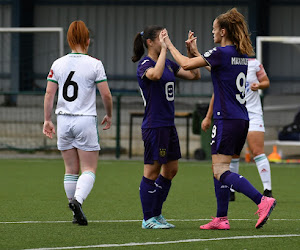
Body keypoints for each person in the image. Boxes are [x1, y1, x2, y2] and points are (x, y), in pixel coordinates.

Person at [162, 7, 276, 230]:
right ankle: (221, 218)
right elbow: (216, 71)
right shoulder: (241, 55)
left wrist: (169, 45)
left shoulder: (220, 53)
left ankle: (262, 200)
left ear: (223, 31)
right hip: (242, 118)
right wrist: (195, 52)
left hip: (226, 119)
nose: (212, 32)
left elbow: (185, 65)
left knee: (221, 171)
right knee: (221, 168)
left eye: (214, 29)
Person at [43, 20, 112, 226]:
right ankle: (78, 201)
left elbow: (49, 94)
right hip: (85, 120)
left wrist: (47, 119)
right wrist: (109, 114)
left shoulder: (58, 63)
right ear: (88, 40)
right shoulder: (94, 64)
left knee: (70, 169)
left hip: (63, 120)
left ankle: (74, 213)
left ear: (69, 40)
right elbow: (106, 95)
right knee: (89, 169)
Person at [132, 25, 200, 229]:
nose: (165, 40)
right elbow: (154, 75)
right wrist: (164, 50)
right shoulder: (145, 63)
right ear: (150, 42)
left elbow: (194, 76)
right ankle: (148, 218)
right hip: (154, 125)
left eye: (166, 37)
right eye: (162, 37)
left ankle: (157, 214)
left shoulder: (169, 63)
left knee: (170, 170)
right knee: (152, 171)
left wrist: (190, 54)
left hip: (168, 125)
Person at [229, 58, 272, 201]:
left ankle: (267, 189)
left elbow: (266, 82)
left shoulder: (254, 63)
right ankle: (231, 190)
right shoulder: (228, 60)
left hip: (253, 114)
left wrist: (258, 85)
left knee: (257, 151)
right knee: (234, 154)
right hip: (235, 113)